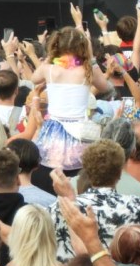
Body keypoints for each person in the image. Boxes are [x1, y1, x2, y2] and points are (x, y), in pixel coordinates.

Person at [29, 26, 114, 171]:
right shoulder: (87, 70)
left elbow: (34, 78)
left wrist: (50, 56)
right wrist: (92, 58)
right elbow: (105, 87)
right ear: (82, 46)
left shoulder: (48, 69)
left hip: (53, 133)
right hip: (80, 133)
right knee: (79, 174)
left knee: (51, 172)